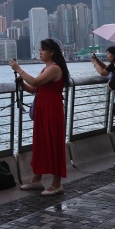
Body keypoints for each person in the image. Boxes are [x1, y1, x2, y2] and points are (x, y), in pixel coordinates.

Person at [10, 38, 70, 195]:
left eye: (43, 50)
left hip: (52, 110)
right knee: (41, 144)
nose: (40, 52)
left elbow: (35, 82)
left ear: (52, 52)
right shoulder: (47, 68)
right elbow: (36, 89)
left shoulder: (55, 68)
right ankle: (37, 180)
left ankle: (57, 184)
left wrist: (18, 69)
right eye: (39, 50)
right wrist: (22, 85)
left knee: (54, 144)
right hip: (44, 110)